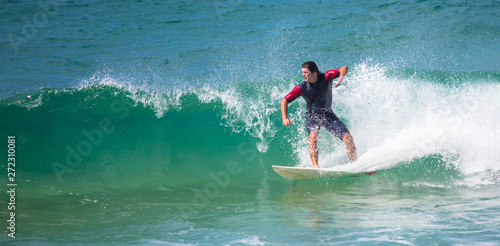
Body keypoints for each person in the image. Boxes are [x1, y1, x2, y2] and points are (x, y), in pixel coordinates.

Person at [281, 61, 357, 168]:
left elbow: (344, 67)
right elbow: (284, 101)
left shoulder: (326, 77)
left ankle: (355, 165)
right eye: (302, 72)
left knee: (348, 138)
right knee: (313, 136)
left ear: (314, 72)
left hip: (327, 114)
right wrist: (284, 118)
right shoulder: (301, 88)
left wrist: (341, 76)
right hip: (312, 115)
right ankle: (315, 167)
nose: (303, 75)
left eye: (305, 72)